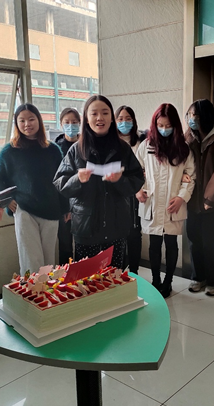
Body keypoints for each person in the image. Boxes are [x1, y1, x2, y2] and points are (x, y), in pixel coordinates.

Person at [54, 95, 144, 268]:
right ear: (87, 119)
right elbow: (60, 183)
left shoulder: (122, 148)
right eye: (94, 113)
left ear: (111, 118)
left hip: (116, 226)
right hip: (85, 228)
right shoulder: (77, 149)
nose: (99, 118)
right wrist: (77, 179)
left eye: (105, 113)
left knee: (113, 278)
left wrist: (119, 180)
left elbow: (137, 179)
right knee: (87, 279)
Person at [0, 104, 63, 275]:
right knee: (30, 259)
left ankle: (49, 290)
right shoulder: (10, 151)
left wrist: (66, 207)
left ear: (39, 121)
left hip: (51, 208)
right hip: (24, 209)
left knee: (49, 259)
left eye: (31, 119)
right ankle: (32, 290)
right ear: (16, 123)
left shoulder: (52, 150)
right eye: (21, 120)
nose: (27, 124)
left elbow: (62, 180)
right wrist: (6, 201)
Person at [135, 103, 195, 297]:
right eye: (160, 125)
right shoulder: (146, 146)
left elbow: (190, 176)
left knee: (171, 244)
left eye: (168, 125)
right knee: (154, 244)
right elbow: (135, 172)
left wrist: (181, 197)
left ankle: (168, 281)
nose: (164, 129)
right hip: (151, 203)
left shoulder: (183, 149)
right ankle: (155, 280)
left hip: (172, 204)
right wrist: (138, 190)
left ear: (175, 125)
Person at [185, 99, 214, 297]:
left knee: (210, 243)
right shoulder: (189, 137)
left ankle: (213, 280)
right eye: (189, 115)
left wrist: (210, 199)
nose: (191, 119)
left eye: (195, 115)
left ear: (205, 116)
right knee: (193, 240)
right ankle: (198, 277)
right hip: (191, 201)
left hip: (212, 204)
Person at [115, 105, 145, 274]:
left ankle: (134, 271)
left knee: (134, 233)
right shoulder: (111, 142)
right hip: (118, 193)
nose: (124, 122)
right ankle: (117, 272)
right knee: (118, 233)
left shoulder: (142, 140)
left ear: (133, 121)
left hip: (136, 192)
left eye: (128, 119)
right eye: (120, 119)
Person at [54, 107, 81, 264]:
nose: (71, 126)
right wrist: (66, 208)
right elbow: (58, 180)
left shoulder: (85, 145)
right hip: (64, 204)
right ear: (61, 124)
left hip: (84, 204)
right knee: (65, 246)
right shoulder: (56, 149)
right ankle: (66, 276)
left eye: (74, 122)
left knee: (83, 244)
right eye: (67, 122)